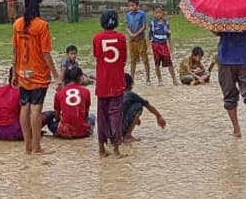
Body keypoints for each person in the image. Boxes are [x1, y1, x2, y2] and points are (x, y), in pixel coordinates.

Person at [12, 0, 60, 155]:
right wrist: (55, 75)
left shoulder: (17, 24)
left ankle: (27, 147)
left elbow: (15, 51)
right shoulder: (42, 25)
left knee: (24, 107)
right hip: (38, 73)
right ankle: (37, 147)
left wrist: (14, 73)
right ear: (39, 5)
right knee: (36, 109)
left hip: (22, 71)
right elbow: (46, 53)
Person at [217, 25, 246, 142]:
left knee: (229, 97)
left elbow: (217, 32)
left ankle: (236, 130)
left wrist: (210, 27)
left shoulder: (222, 14)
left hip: (226, 60)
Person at [93, 9, 128, 157]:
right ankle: (116, 148)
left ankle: (101, 147)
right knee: (116, 115)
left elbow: (96, 55)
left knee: (102, 115)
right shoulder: (121, 38)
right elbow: (124, 58)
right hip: (117, 81)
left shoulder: (96, 38)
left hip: (102, 82)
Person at [45, 66, 94, 140]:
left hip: (64, 132)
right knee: (92, 116)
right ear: (79, 77)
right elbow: (86, 113)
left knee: (50, 118)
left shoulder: (59, 93)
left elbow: (57, 115)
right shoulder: (86, 91)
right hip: (82, 132)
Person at [122, 73, 167, 142]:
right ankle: (127, 136)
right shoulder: (130, 94)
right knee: (138, 105)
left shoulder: (114, 93)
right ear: (131, 85)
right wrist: (159, 116)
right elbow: (147, 105)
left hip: (110, 131)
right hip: (120, 127)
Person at [0, 68, 22, 141]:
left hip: (0, 132)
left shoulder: (0, 89)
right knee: (48, 114)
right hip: (15, 131)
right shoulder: (22, 91)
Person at [125, 0, 152, 85]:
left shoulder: (142, 14)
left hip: (140, 39)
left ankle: (148, 78)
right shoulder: (128, 15)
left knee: (144, 58)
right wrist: (130, 34)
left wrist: (136, 34)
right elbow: (127, 26)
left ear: (137, 5)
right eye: (129, 6)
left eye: (133, 5)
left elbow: (144, 27)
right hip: (131, 40)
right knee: (133, 60)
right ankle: (132, 79)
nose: (131, 7)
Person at [148, 6, 176, 85]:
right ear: (153, 14)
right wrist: (148, 47)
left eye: (160, 12)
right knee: (157, 63)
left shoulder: (165, 23)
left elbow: (169, 35)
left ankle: (174, 78)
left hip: (164, 45)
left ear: (163, 13)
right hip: (156, 45)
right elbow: (149, 36)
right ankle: (160, 80)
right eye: (156, 12)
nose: (158, 14)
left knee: (169, 62)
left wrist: (170, 45)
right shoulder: (152, 23)